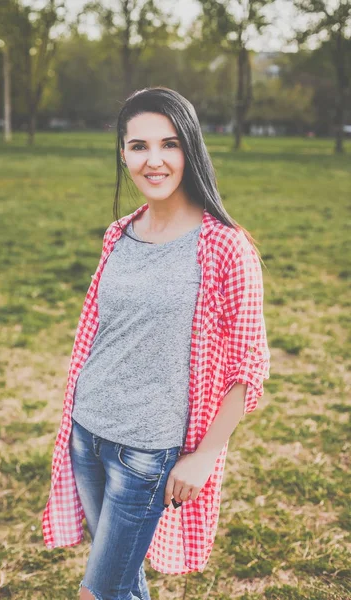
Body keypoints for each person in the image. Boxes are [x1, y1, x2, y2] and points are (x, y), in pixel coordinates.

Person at [42, 87, 271, 600]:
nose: (154, 160)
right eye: (138, 146)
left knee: (97, 592)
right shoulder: (118, 233)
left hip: (146, 454)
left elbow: (248, 364)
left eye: (169, 144)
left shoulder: (225, 247)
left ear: (189, 149)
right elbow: (100, 330)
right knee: (124, 585)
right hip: (87, 432)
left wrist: (206, 454)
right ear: (122, 154)